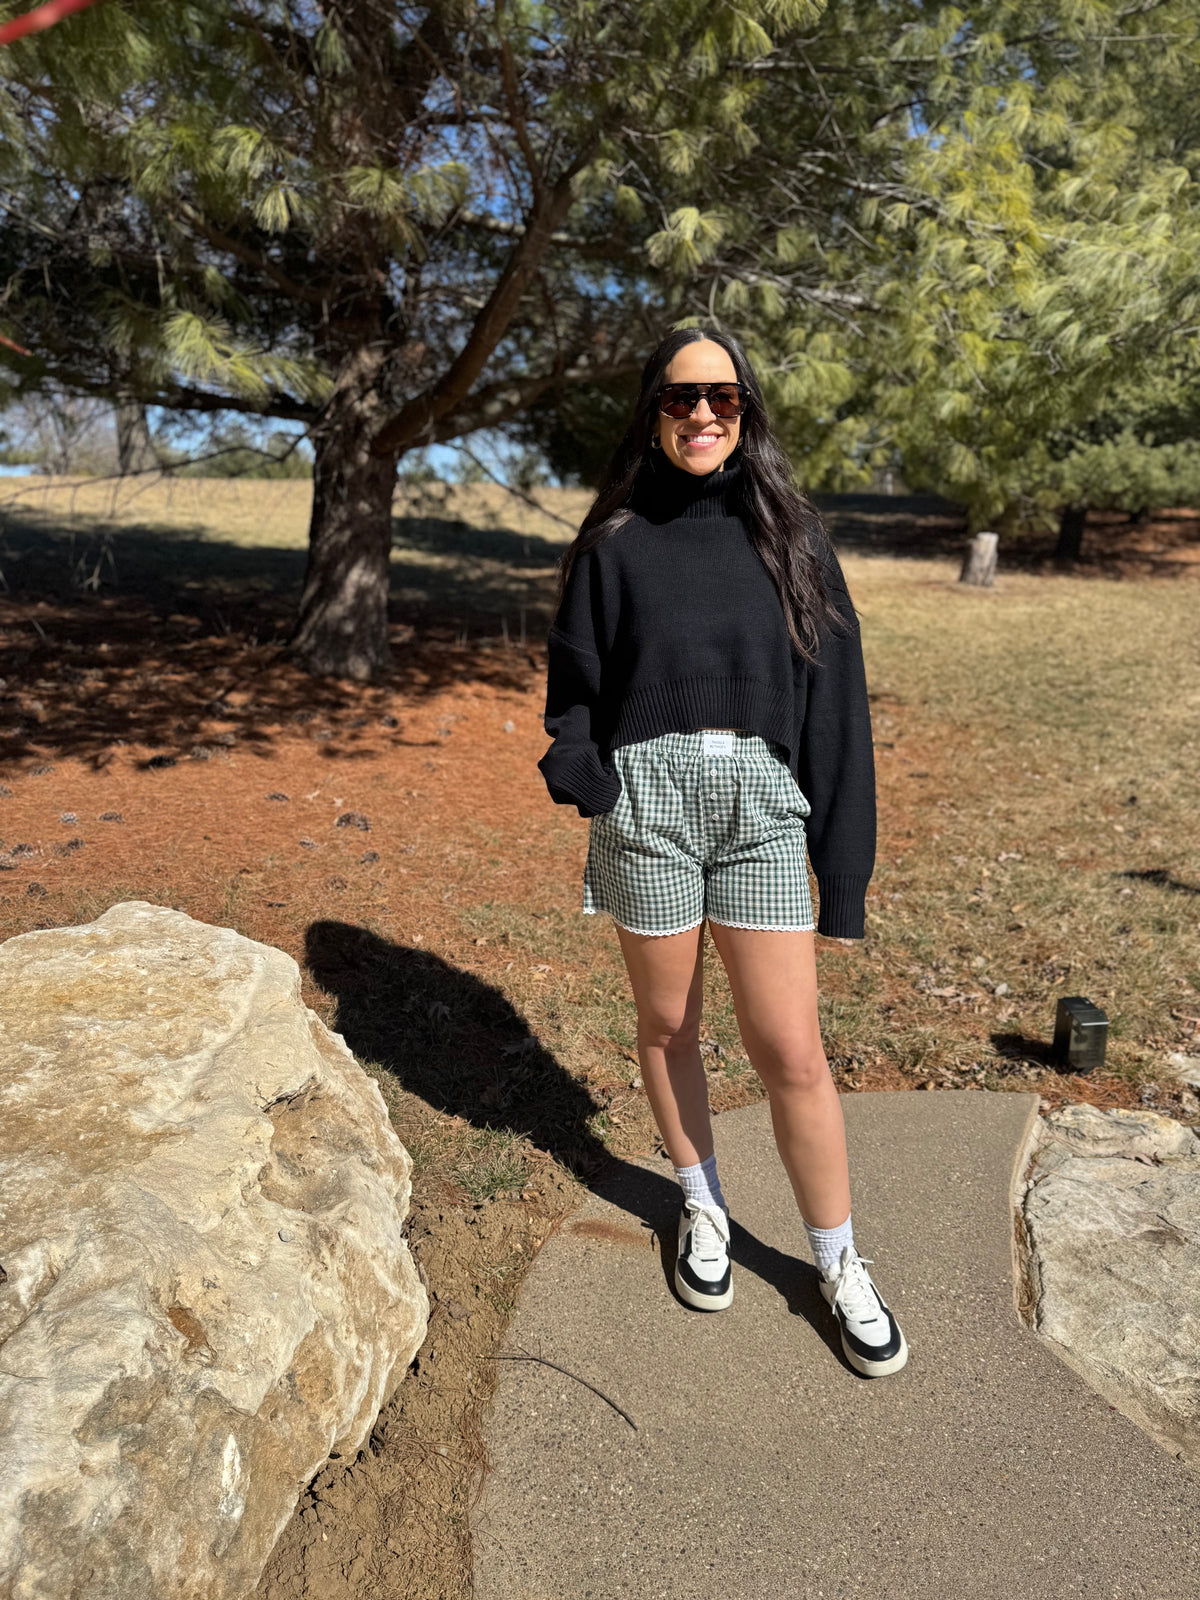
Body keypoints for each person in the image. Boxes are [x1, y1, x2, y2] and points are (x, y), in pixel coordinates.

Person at [537, 327, 907, 1379]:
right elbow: (574, 685)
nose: (703, 415)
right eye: (681, 396)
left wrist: (843, 872)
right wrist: (584, 771)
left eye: (725, 399)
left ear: (748, 413)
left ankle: (837, 1261)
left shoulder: (792, 537)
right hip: (645, 803)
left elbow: (835, 710)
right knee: (667, 1023)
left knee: (790, 1047)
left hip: (759, 806)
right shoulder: (613, 539)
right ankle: (700, 1201)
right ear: (651, 408)